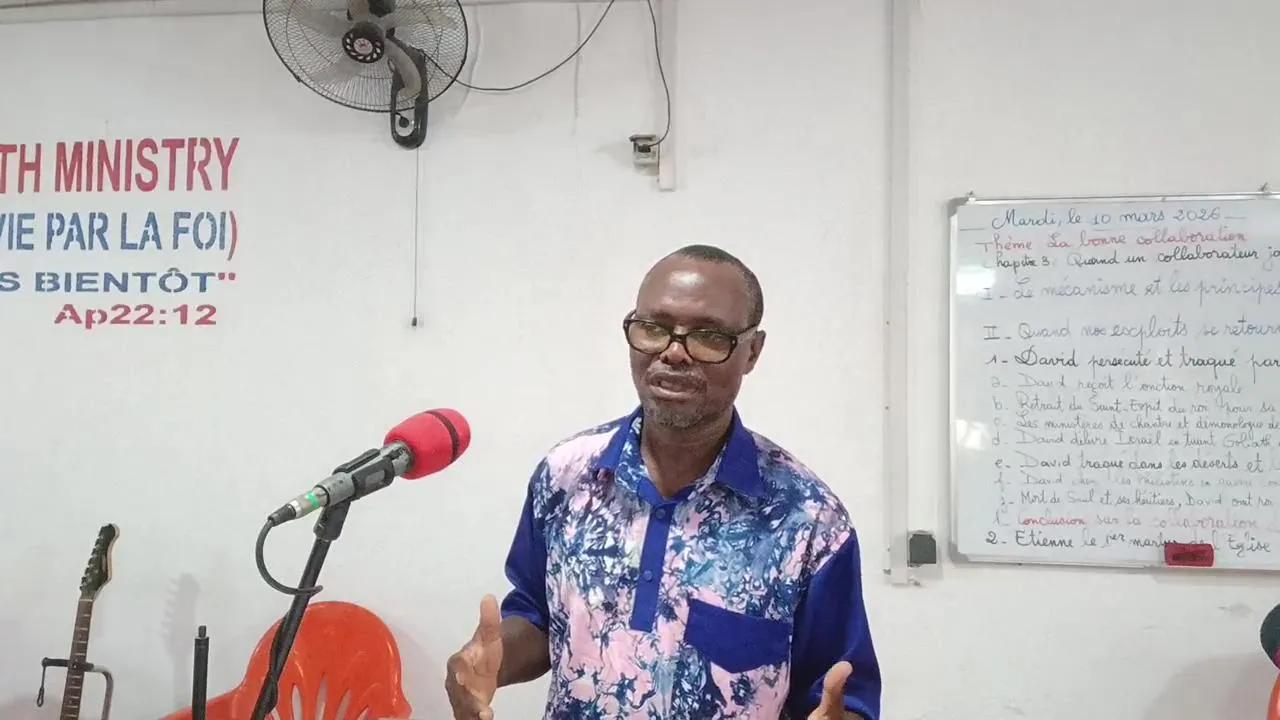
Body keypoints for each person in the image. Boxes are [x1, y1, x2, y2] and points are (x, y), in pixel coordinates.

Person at [445, 245, 881, 720]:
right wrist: (485, 664)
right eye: (653, 329)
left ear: (752, 352)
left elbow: (843, 691)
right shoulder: (567, 476)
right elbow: (539, 615)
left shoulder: (808, 519)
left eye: (708, 337)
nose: (673, 353)